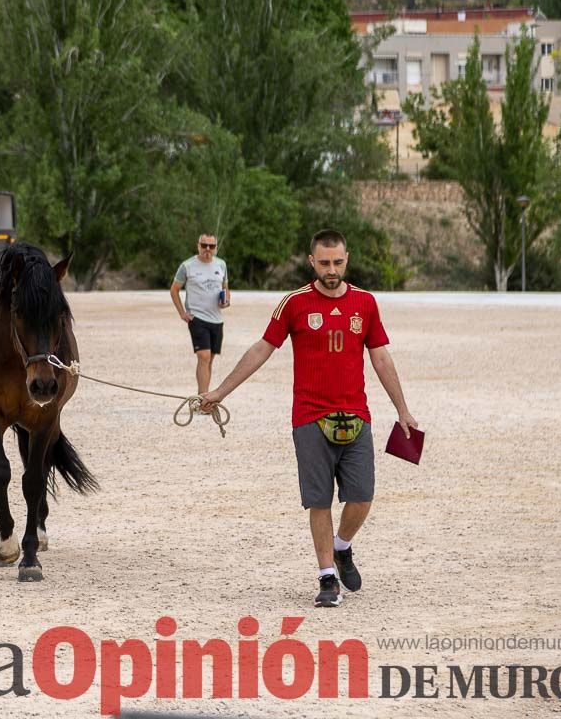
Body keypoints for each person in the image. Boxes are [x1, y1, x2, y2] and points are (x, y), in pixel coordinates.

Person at [200, 229, 419, 608]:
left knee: (362, 497)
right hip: (309, 417)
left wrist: (403, 410)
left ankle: (342, 547)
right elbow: (261, 349)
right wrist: (220, 391)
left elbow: (381, 357)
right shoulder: (295, 304)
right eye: (324, 263)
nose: (331, 270)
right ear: (311, 261)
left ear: (346, 260)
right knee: (319, 501)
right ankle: (326, 578)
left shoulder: (365, 304)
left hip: (356, 416)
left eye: (337, 262)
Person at [170, 233, 230, 396]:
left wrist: (226, 300)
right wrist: (182, 313)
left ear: (216, 248)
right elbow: (174, 289)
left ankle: (205, 395)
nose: (207, 249)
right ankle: (202, 398)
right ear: (198, 246)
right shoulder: (187, 266)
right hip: (197, 318)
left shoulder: (221, 265)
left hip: (216, 319)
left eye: (211, 246)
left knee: (209, 359)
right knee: (203, 356)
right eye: (204, 245)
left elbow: (225, 288)